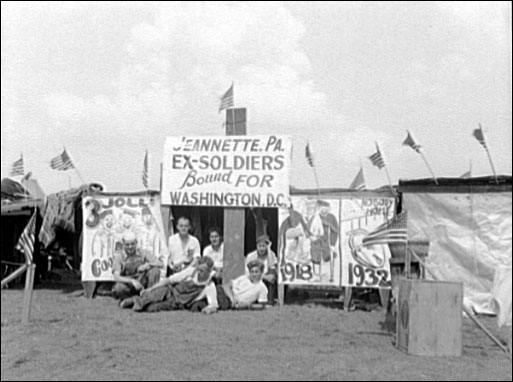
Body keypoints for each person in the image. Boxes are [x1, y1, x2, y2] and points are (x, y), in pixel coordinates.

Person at [120, 256, 217, 313]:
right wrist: (151, 289)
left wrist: (209, 309)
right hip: (170, 291)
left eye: (202, 271)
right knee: (154, 294)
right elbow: (169, 280)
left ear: (209, 271)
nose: (199, 272)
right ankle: (135, 303)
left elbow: (213, 304)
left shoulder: (209, 286)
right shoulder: (191, 271)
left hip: (177, 302)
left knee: (151, 308)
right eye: (199, 269)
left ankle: (134, 301)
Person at [111, 231, 163, 301]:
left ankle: (149, 295)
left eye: (132, 244)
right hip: (128, 284)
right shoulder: (119, 257)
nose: (130, 247)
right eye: (127, 244)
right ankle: (132, 299)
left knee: (155, 270)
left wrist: (148, 264)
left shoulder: (142, 252)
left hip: (142, 281)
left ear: (136, 243)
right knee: (118, 288)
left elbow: (160, 264)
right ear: (123, 244)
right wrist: (132, 281)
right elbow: (116, 277)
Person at [202, 259, 268, 314]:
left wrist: (248, 305)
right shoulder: (244, 278)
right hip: (224, 292)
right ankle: (211, 306)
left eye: (256, 272)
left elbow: (262, 305)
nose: (254, 274)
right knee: (204, 292)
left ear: (261, 273)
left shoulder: (262, 288)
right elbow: (226, 286)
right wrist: (231, 297)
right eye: (252, 272)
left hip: (230, 302)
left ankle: (211, 307)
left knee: (200, 303)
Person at [245, 234, 278, 305]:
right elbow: (247, 273)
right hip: (254, 278)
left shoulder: (271, 255)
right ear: (256, 246)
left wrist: (269, 249)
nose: (261, 249)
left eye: (263, 246)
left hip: (267, 279)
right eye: (260, 246)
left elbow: (273, 266)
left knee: (272, 275)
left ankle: (270, 300)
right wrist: (264, 277)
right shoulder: (251, 256)